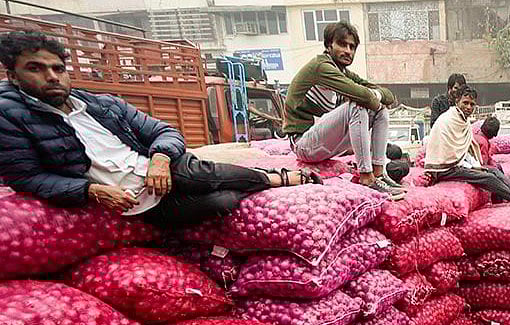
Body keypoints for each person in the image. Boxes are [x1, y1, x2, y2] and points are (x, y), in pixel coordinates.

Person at [0, 31, 320, 226]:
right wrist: (90, 191)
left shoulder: (103, 105)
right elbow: (26, 178)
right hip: (136, 202)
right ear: (13, 76)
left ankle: (281, 178)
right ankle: (272, 180)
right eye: (36, 69)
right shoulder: (10, 116)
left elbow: (165, 132)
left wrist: (160, 159)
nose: (52, 76)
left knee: (196, 174)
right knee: (220, 203)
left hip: (164, 171)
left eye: (58, 68)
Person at [283, 22, 402, 195]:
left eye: (352, 47)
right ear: (329, 45)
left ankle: (378, 174)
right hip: (303, 144)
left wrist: (376, 99)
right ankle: (366, 178)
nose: (348, 51)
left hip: (325, 143)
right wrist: (373, 97)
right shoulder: (321, 67)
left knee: (381, 110)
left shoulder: (344, 73)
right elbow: (365, 97)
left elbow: (389, 96)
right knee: (358, 104)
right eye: (342, 44)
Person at [424, 86, 510, 213]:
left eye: (472, 104)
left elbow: (464, 151)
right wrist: (472, 167)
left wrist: (474, 166)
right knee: (488, 178)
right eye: (465, 103)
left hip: (456, 164)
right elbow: (451, 153)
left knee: (494, 171)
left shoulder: (461, 120)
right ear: (457, 101)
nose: (469, 107)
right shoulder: (449, 120)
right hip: (444, 168)